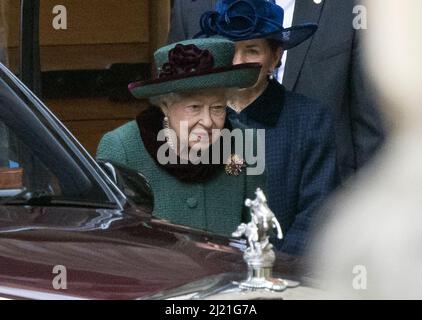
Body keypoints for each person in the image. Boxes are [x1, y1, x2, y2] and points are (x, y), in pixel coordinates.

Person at [167, 0, 385, 182]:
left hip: (324, 203)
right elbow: (173, 105)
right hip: (211, 193)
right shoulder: (190, 6)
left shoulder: (353, 7)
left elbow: (370, 126)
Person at [192, 0, 338, 255]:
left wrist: (273, 269)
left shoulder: (310, 121)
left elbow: (316, 216)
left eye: (252, 51)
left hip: (282, 280)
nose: (238, 62)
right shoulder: (193, 118)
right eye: (229, 49)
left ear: (276, 56)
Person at [96, 37, 265, 236]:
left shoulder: (247, 143)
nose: (208, 122)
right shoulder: (122, 147)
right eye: (194, 107)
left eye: (217, 108)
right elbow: (110, 242)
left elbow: (259, 235)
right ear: (165, 105)